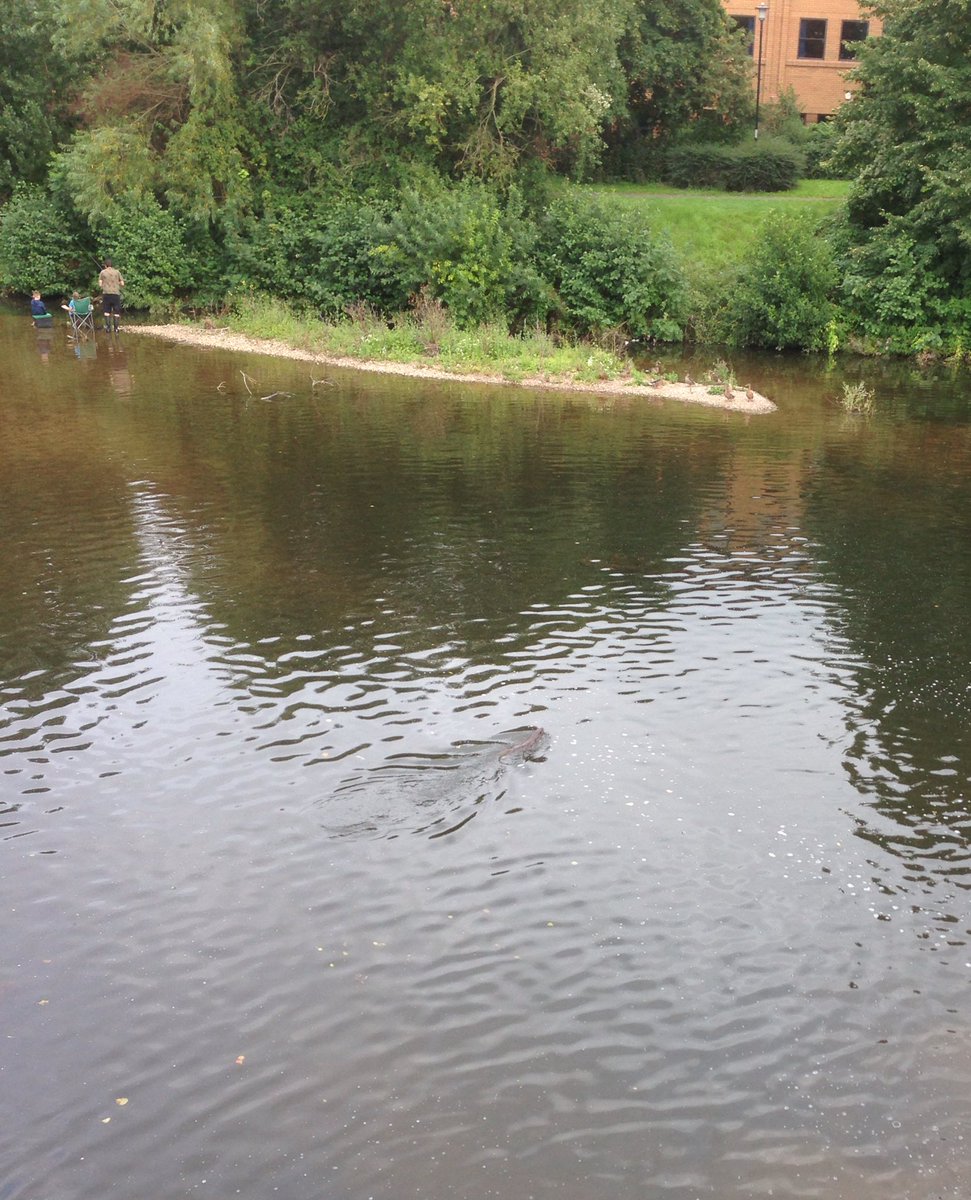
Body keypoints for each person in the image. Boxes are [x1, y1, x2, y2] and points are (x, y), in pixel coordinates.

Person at [98, 259, 125, 332]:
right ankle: (116, 329)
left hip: (106, 294)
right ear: (111, 265)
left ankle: (108, 328)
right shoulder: (117, 272)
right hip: (116, 294)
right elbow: (122, 284)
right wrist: (117, 283)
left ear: (105, 265)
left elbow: (100, 284)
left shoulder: (102, 272)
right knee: (116, 312)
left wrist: (104, 284)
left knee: (107, 311)